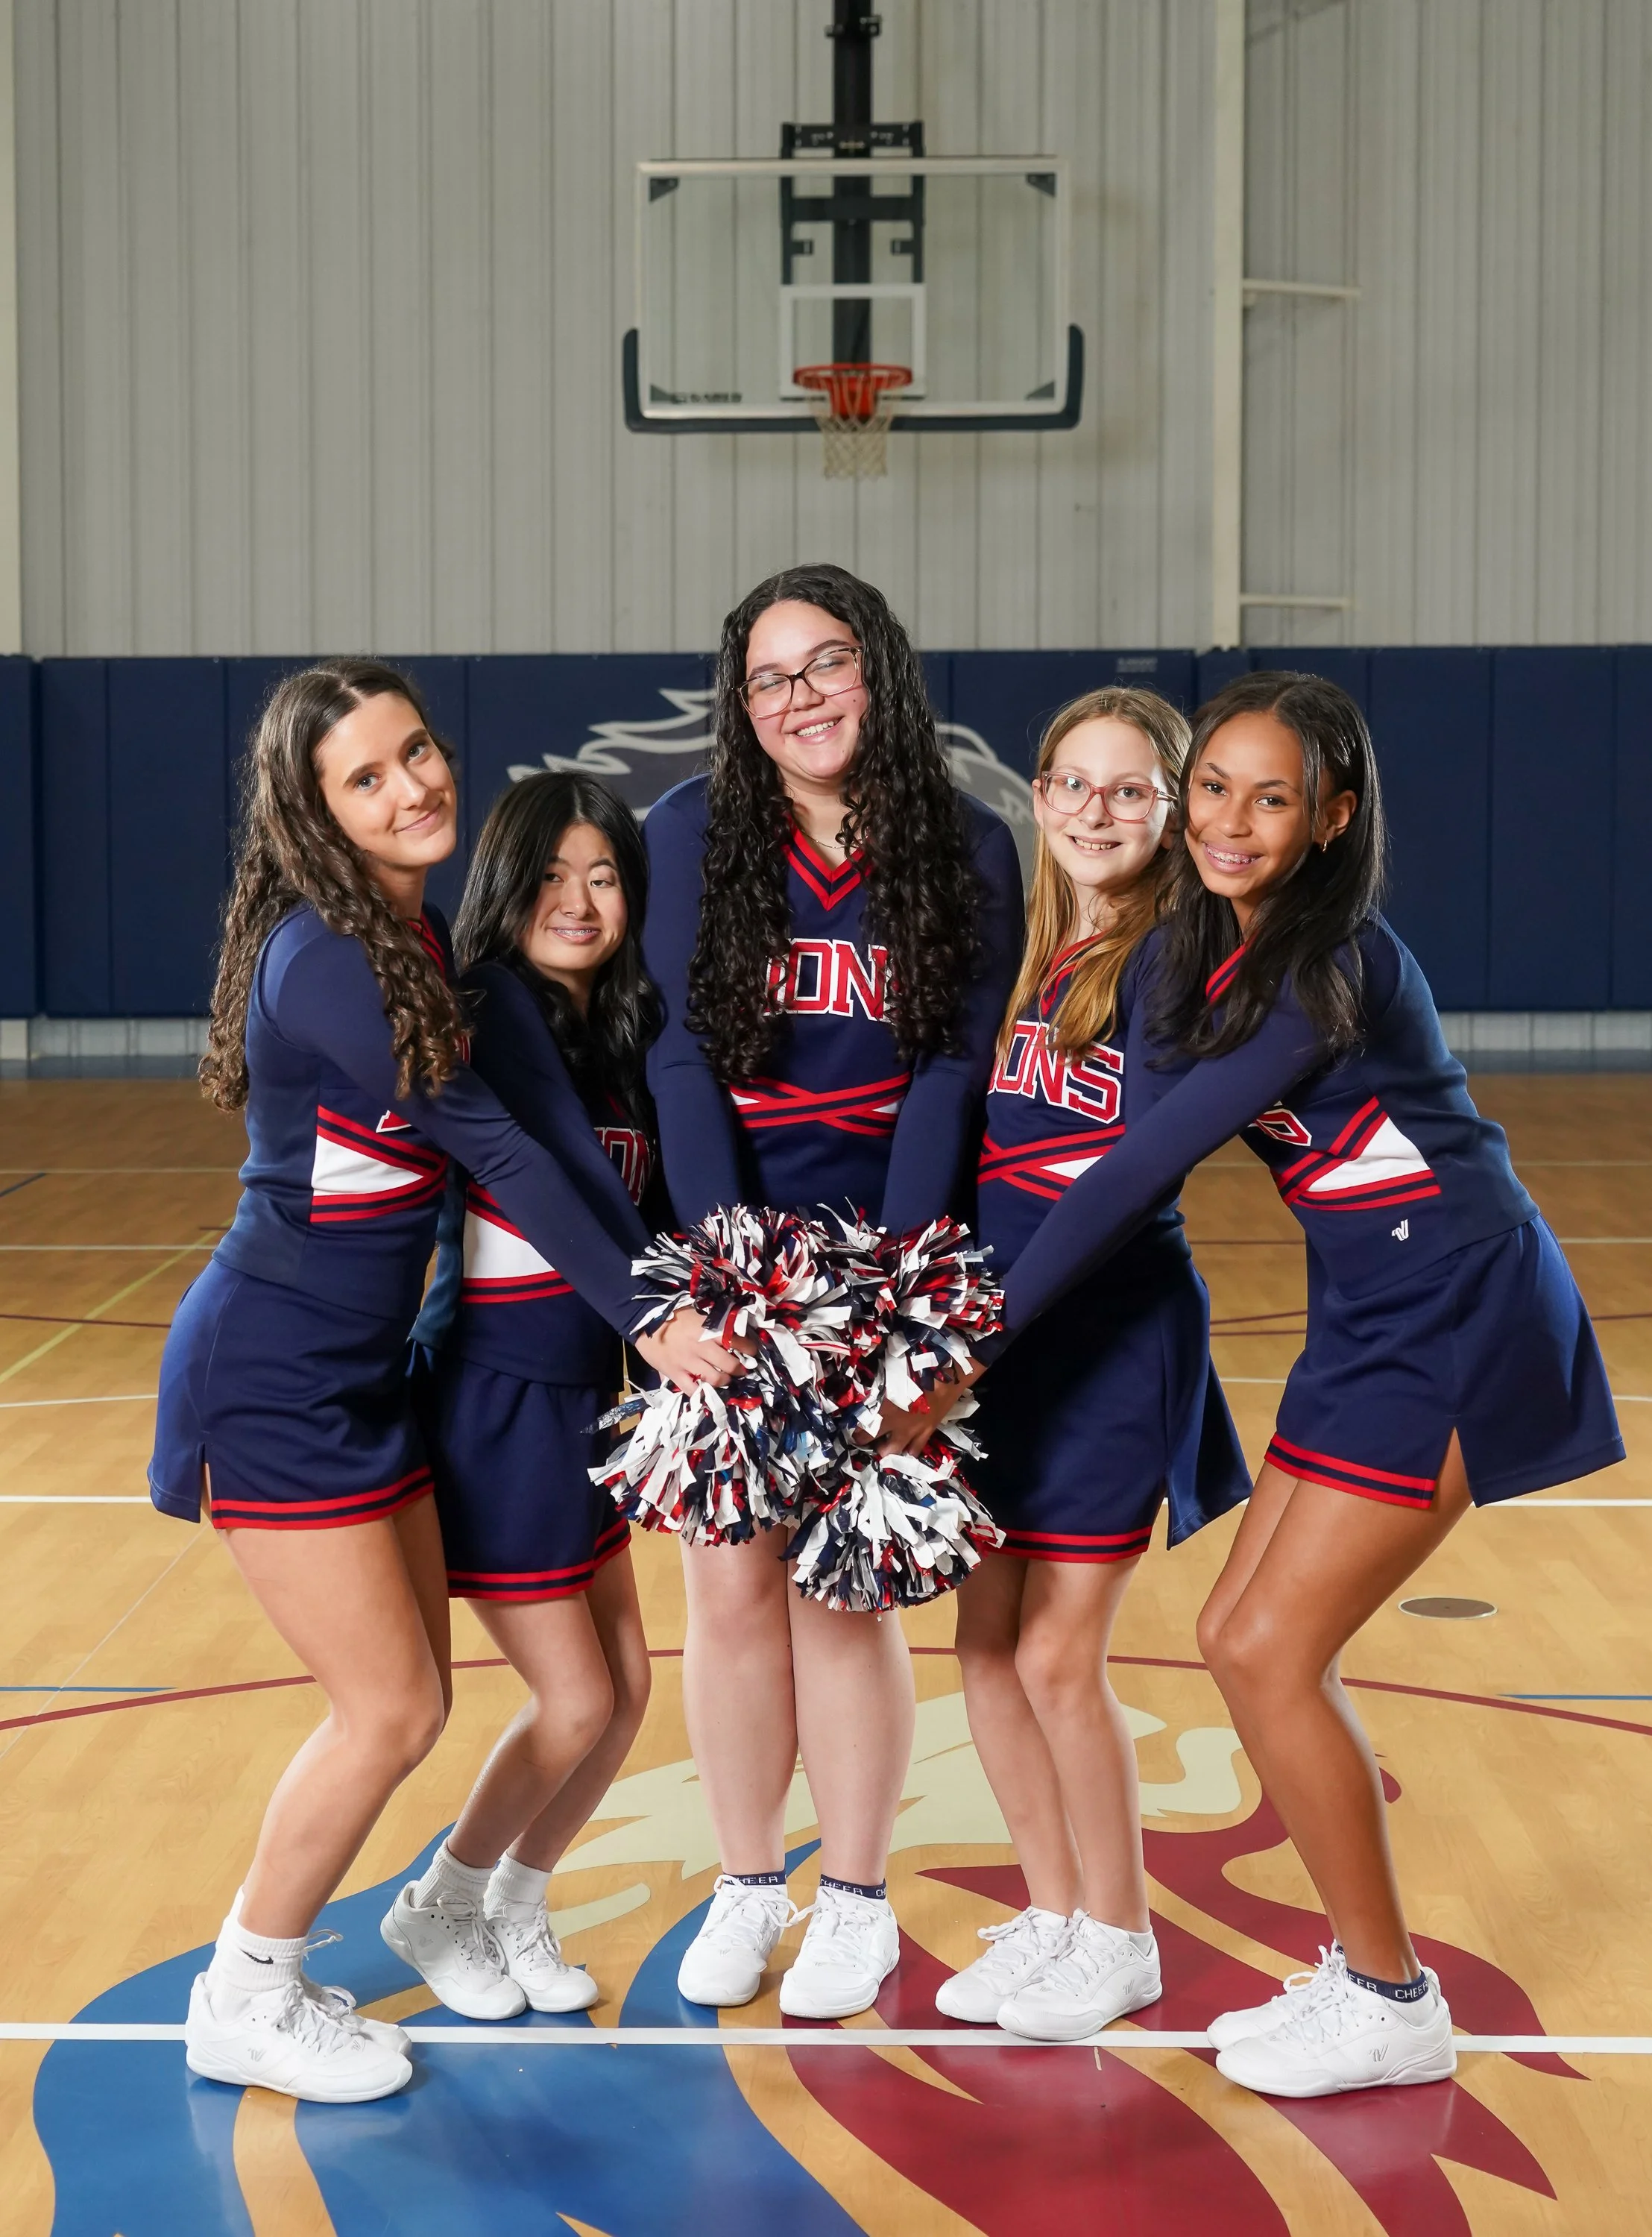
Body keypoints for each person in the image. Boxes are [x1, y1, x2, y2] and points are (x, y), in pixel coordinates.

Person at [939, 670, 1623, 2096]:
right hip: (1366, 1312)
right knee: (1240, 1627)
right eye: (1216, 791)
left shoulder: (1331, 966)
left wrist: (964, 1347)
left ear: (1333, 819)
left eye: (1270, 798)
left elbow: (1135, 1166)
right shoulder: (1221, 945)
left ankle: (1389, 1993)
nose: (1231, 821)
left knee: (1264, 1652)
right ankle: (1360, 1975)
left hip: (1455, 1307)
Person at [149, 662, 734, 2104]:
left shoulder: (397, 933)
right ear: (312, 811)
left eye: (417, 752)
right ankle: (245, 1989)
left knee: (424, 1706)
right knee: (393, 1712)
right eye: (367, 777)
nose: (414, 786)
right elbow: (511, 1155)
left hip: (363, 1383)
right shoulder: (332, 958)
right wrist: (655, 1322)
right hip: (275, 1375)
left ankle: (325, 1951)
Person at [643, 564, 1023, 2019]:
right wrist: (732, 1271)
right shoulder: (687, 834)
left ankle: (855, 1901)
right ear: (742, 709)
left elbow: (949, 1070)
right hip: (734, 1255)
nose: (799, 697)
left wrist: (892, 1300)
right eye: (767, 678)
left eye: (824, 663)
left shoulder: (966, 845)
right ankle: (748, 1885)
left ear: (879, 670)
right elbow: (679, 1056)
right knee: (726, 1588)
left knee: (844, 1594)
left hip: (884, 1258)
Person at [940, 688, 1249, 2042]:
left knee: (1062, 1656)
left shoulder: (1178, 955)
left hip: (1108, 1336)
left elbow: (1122, 1188)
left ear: (1175, 808)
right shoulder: (1035, 950)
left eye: (1132, 791)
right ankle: (1056, 1911)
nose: (1096, 812)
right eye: (1073, 783)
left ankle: (1123, 1937)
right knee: (986, 1647)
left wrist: (980, 1336)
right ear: (1041, 791)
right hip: (1000, 1342)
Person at [380, 774, 666, 2019]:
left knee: (630, 1687)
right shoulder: (496, 1003)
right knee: (581, 1695)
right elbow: (560, 1189)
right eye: (551, 875)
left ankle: (517, 1900)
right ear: (507, 887)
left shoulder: (617, 1034)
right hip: (503, 1398)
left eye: (603, 876)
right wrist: (670, 1317)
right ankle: (440, 1900)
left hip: (580, 1401)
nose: (578, 899)